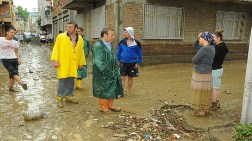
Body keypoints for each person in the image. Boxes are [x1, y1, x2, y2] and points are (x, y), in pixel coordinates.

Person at [50, 22, 86, 108]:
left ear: (75, 29)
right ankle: (60, 98)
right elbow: (56, 49)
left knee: (71, 79)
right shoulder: (61, 36)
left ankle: (69, 96)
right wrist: (55, 60)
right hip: (63, 62)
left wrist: (81, 63)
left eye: (70, 27)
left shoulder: (80, 38)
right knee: (62, 80)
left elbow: (81, 51)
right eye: (67, 27)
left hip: (73, 63)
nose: (68, 28)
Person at [92, 28, 123, 112]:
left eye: (113, 35)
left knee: (112, 88)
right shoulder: (98, 46)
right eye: (111, 35)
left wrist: (115, 65)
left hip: (112, 71)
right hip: (104, 73)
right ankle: (103, 107)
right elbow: (98, 62)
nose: (113, 37)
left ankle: (110, 105)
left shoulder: (108, 44)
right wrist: (108, 71)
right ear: (105, 35)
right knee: (104, 89)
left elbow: (111, 56)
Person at [190, 31, 215, 116]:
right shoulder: (212, 47)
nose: (199, 39)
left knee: (200, 92)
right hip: (208, 73)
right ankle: (205, 109)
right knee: (205, 91)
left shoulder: (204, 48)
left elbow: (194, 60)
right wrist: (198, 38)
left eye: (200, 38)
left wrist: (198, 60)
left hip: (200, 73)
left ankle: (201, 111)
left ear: (204, 39)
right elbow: (195, 45)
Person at [0, 26, 28, 92]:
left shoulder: (15, 42)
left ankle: (11, 88)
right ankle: (22, 83)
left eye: (14, 33)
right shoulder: (1, 39)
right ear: (7, 32)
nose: (13, 34)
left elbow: (16, 51)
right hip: (5, 59)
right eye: (11, 32)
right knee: (13, 72)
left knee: (12, 74)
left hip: (14, 59)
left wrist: (19, 59)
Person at [116, 27, 142, 95]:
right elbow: (118, 52)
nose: (124, 33)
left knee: (130, 78)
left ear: (130, 33)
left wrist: (138, 62)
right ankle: (121, 92)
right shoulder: (122, 42)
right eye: (124, 32)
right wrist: (118, 61)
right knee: (122, 77)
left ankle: (128, 91)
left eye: (125, 32)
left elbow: (139, 54)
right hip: (123, 62)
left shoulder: (136, 43)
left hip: (133, 63)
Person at [211, 29, 229, 110]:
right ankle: (217, 102)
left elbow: (211, 56)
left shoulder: (218, 47)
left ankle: (214, 104)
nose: (212, 39)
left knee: (215, 88)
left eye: (213, 37)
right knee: (217, 87)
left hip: (215, 70)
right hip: (219, 69)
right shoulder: (223, 45)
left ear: (218, 37)